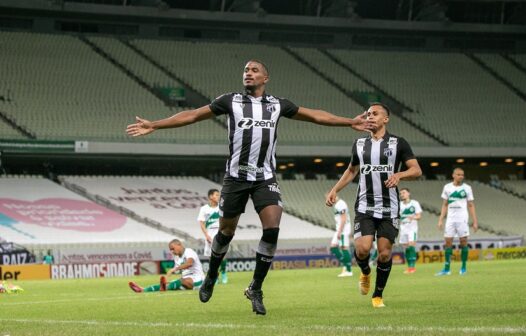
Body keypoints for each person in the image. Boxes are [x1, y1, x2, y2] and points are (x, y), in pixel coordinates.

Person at [126, 59, 369, 315]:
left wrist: (348, 122)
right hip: (235, 178)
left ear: (266, 78)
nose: (248, 74)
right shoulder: (230, 101)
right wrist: (155, 124)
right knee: (226, 233)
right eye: (245, 70)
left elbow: (316, 115)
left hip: (265, 178)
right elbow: (193, 115)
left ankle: (255, 287)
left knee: (273, 228)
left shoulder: (278, 105)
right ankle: (211, 275)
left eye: (254, 71)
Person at [326, 102, 422, 308]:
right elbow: (352, 170)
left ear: (385, 119)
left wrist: (399, 174)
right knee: (362, 250)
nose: (370, 116)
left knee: (385, 253)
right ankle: (365, 272)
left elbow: (416, 170)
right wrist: (335, 189)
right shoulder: (359, 144)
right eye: (368, 114)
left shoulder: (399, 143)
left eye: (375, 114)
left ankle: (378, 295)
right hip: (365, 206)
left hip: (389, 207)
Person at [436, 168, 478, 276]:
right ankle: (446, 269)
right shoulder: (447, 187)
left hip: (462, 218)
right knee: (448, 242)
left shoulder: (467, 188)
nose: (461, 176)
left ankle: (463, 267)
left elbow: (471, 205)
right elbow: (445, 204)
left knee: (463, 242)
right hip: (450, 219)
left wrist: (475, 221)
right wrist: (441, 219)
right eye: (458, 174)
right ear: (453, 175)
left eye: (462, 175)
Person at [129, 239, 204, 293]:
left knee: (180, 281)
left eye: (173, 249)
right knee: (168, 284)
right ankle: (143, 290)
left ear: (179, 245)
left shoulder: (189, 252)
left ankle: (164, 287)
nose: (172, 251)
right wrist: (171, 273)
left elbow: (189, 263)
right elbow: (178, 269)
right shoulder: (176, 257)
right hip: (185, 279)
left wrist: (173, 270)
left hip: (197, 279)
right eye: (170, 250)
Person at [198, 188, 228, 284]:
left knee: (223, 255)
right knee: (211, 258)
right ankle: (214, 276)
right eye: (216, 195)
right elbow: (202, 223)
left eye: (219, 195)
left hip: (220, 232)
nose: (218, 197)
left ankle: (223, 273)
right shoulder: (204, 209)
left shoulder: (221, 207)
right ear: (211, 196)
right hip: (210, 234)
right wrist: (206, 235)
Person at [399, 187, 422, 274]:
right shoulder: (399, 204)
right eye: (401, 193)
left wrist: (413, 217)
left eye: (404, 192)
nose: (402, 195)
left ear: (409, 193)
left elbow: (419, 216)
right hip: (403, 227)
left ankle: (412, 267)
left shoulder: (414, 203)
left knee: (411, 245)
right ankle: (409, 267)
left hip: (412, 227)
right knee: (406, 248)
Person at [329, 195, 353, 277]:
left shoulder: (340, 204)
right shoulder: (337, 204)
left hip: (343, 229)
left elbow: (344, 218)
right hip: (339, 229)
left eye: (329, 197)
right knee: (333, 247)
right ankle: (346, 265)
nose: (329, 200)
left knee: (344, 247)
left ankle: (349, 270)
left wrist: (340, 231)